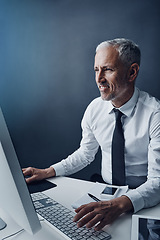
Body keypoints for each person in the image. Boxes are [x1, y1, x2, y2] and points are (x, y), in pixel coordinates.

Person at [23, 38, 160, 234]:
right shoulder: (95, 109)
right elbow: (86, 153)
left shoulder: (155, 114)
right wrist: (48, 171)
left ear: (132, 72)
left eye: (108, 70)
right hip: (104, 192)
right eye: (96, 70)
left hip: (145, 199)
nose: (99, 78)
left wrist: (121, 204)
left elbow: (158, 181)